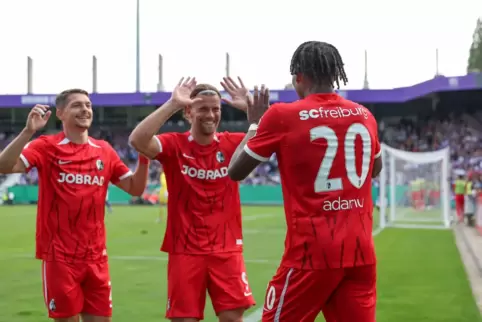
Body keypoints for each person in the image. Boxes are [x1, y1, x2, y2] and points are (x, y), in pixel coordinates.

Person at [228, 41, 383, 322]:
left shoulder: (281, 115)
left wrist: (254, 123)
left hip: (312, 254)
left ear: (298, 77)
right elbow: (375, 168)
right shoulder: (364, 115)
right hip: (360, 253)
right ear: (335, 74)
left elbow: (235, 170)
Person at [0, 89, 150, 322]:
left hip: (96, 257)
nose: (85, 109)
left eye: (88, 105)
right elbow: (5, 166)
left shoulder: (105, 150)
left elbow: (135, 188)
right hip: (60, 257)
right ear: (60, 113)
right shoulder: (46, 146)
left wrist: (144, 157)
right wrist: (28, 131)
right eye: (77, 105)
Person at [128, 77, 256, 322]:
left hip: (226, 248)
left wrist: (250, 107)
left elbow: (279, 132)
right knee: (184, 319)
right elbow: (137, 140)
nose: (211, 115)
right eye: (203, 109)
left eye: (216, 109)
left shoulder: (232, 143)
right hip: (184, 250)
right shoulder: (174, 145)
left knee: (232, 318)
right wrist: (172, 103)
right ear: (188, 112)